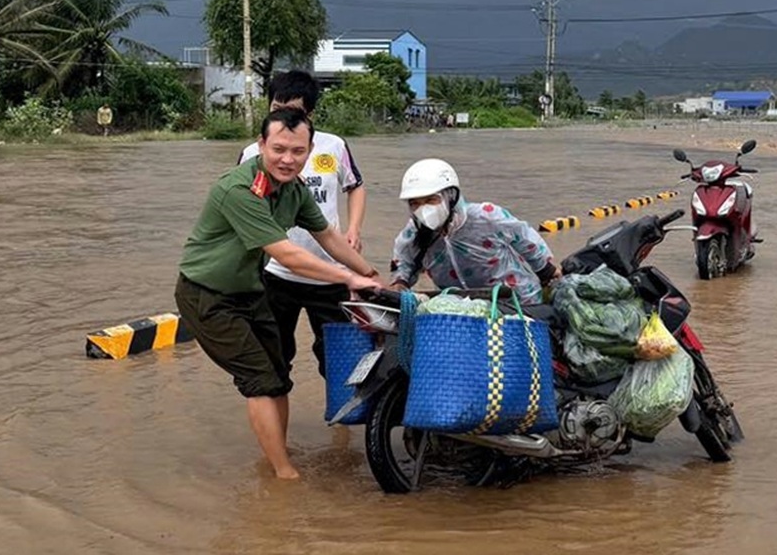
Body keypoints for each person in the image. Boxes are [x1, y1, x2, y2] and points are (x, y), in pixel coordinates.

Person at [175, 107, 382, 480]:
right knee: (260, 380)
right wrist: (347, 278)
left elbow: (328, 236)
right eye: (279, 149)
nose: (288, 159)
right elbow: (287, 254)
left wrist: (369, 273)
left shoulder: (293, 190)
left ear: (310, 149)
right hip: (207, 296)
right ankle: (285, 476)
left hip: (249, 291)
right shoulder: (238, 190)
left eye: (298, 151)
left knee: (277, 376)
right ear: (261, 146)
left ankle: (277, 455)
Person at [238, 70, 366, 379]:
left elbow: (355, 186)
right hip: (275, 274)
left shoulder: (333, 146)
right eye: (276, 109)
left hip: (330, 274)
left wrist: (353, 229)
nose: (283, 120)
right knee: (273, 358)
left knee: (340, 361)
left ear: (309, 113)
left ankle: (340, 426)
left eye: (292, 111)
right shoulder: (253, 154)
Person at [389, 158, 560, 305]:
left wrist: (547, 272)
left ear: (450, 196)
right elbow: (403, 261)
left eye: (430, 200)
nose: (423, 209)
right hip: (460, 309)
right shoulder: (414, 232)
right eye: (415, 203)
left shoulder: (486, 216)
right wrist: (400, 282)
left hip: (514, 302)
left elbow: (525, 239)